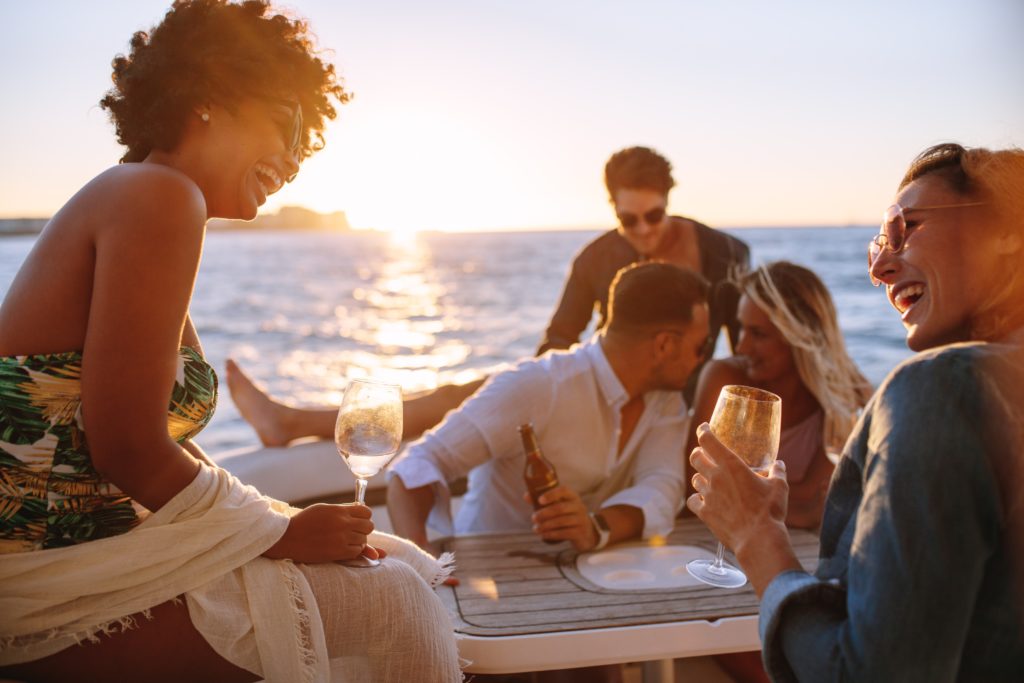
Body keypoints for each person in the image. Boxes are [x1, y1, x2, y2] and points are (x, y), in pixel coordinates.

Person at [0, 2, 460, 682]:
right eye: (292, 124)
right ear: (213, 95)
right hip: (45, 577)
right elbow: (124, 444)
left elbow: (147, 441)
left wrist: (273, 525)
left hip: (94, 550)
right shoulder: (156, 197)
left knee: (404, 564)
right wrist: (277, 529)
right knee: (394, 603)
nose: (299, 158)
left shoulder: (143, 195)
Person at [687, 143, 1024, 681]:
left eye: (906, 226)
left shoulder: (942, 392)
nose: (880, 267)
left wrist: (756, 535)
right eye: (877, 244)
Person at [387, 262, 709, 554]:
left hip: (590, 569)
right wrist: (419, 560)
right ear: (664, 345)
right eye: (701, 347)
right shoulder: (537, 385)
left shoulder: (665, 400)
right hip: (488, 569)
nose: (701, 360)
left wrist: (596, 527)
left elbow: (662, 486)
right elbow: (418, 464)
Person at [538, 146, 750, 402]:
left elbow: (745, 349)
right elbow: (560, 337)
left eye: (653, 215)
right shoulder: (594, 259)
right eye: (628, 220)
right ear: (613, 208)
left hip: (692, 406)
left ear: (667, 201)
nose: (643, 229)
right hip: (613, 403)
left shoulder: (725, 253)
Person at [686, 262, 873, 530]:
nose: (741, 346)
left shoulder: (844, 394)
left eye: (758, 334)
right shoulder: (724, 380)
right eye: (742, 328)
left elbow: (816, 498)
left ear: (800, 335)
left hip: (801, 544)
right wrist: (797, 508)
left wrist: (743, 493)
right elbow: (696, 486)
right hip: (715, 540)